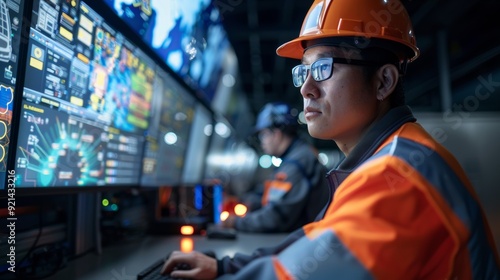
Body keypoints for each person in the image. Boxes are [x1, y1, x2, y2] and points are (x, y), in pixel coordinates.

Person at [161, 0, 500, 278]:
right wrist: (225, 266)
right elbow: (316, 239)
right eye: (303, 71)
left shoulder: (397, 177)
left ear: (383, 82)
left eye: (323, 68)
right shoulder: (382, 159)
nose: (307, 89)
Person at [220, 102, 329, 233]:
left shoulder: (296, 164)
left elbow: (275, 218)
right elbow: (270, 196)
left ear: (276, 134)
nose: (262, 141)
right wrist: (245, 201)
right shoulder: (294, 158)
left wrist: (235, 222)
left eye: (263, 134)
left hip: (304, 238)